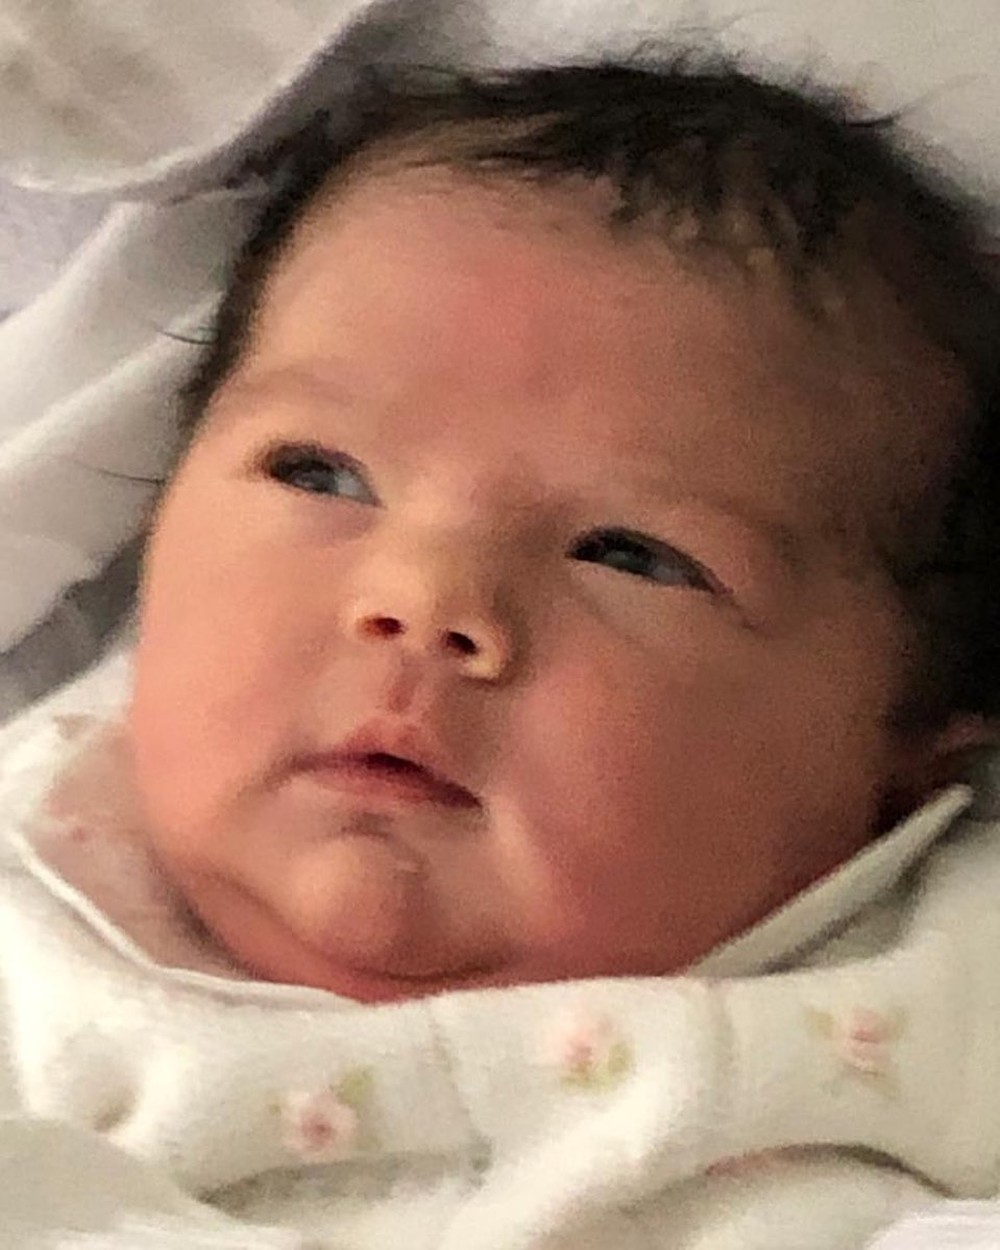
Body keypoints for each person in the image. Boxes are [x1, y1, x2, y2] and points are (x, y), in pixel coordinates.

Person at [1, 54, 999, 1250]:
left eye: (630, 554)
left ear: (909, 741)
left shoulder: (946, 1005)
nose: (423, 599)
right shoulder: (29, 906)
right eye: (322, 473)